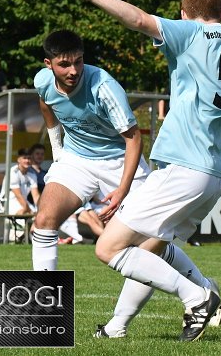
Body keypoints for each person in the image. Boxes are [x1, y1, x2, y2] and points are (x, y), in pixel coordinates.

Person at [48, 0, 221, 341]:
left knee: (108, 247)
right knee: (150, 249)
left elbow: (138, 19)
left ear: (184, 13)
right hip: (213, 175)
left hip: (183, 167)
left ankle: (197, 297)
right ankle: (117, 327)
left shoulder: (190, 33)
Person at [31, 29, 151, 272]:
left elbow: (134, 138)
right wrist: (57, 150)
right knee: (44, 220)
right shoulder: (43, 81)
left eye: (78, 61)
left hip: (119, 160)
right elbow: (45, 104)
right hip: (76, 159)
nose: (73, 71)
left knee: (149, 240)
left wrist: (122, 190)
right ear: (48, 64)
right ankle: (45, 294)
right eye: (64, 64)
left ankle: (199, 286)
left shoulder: (104, 87)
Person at [0, 148, 41, 216]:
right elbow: (18, 195)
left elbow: (35, 195)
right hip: (7, 201)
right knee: (23, 214)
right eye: (24, 158)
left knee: (39, 215)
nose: (27, 161)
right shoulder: (13, 172)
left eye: (29, 158)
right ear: (19, 159)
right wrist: (29, 211)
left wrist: (40, 209)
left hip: (24, 201)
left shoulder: (32, 174)